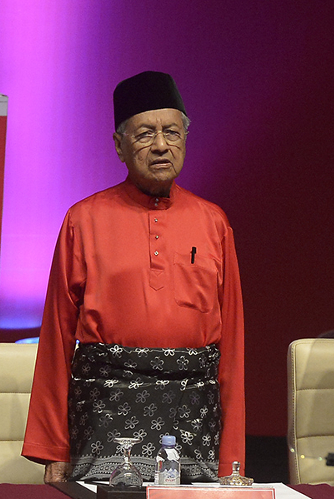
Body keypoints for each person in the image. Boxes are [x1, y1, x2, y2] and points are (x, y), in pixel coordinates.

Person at [22, 71, 245, 483]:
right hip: (107, 412)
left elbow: (231, 345)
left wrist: (233, 457)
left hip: (194, 414)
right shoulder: (83, 220)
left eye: (172, 132)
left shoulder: (213, 222)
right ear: (119, 146)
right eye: (145, 134)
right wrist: (54, 446)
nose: (161, 145)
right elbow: (55, 338)